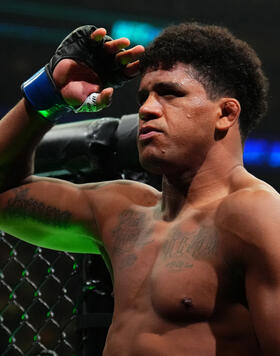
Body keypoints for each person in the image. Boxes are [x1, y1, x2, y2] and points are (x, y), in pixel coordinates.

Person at [0, 21, 278, 355]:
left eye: (170, 93)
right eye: (144, 96)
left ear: (225, 113)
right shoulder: (123, 212)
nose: (146, 109)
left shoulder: (257, 215)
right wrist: (47, 94)